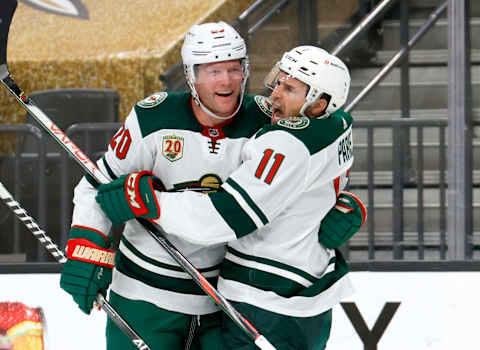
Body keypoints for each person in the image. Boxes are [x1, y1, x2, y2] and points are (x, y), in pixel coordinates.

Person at [60, 19, 363, 349]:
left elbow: (315, 151)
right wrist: (87, 247)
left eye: (234, 69)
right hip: (144, 299)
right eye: (213, 71)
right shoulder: (153, 119)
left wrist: (339, 203)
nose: (227, 80)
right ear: (192, 75)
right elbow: (96, 184)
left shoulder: (269, 120)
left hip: (221, 302)